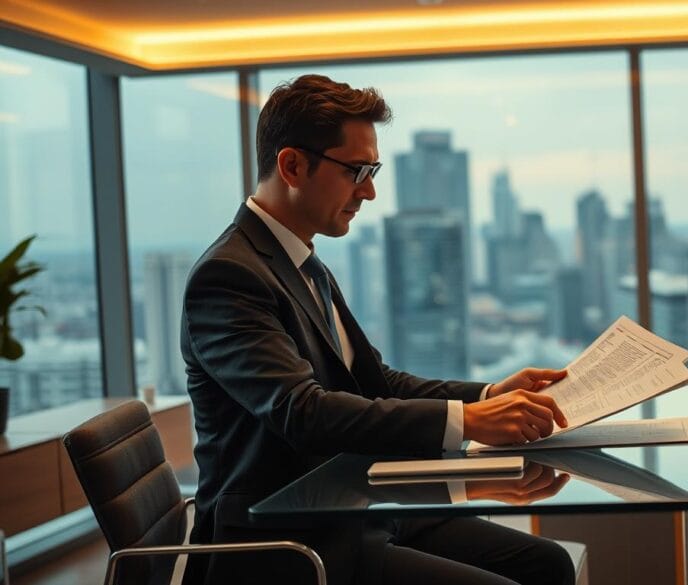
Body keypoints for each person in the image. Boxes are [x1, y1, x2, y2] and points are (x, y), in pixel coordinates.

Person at [180, 74, 575, 585]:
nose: (369, 191)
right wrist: (470, 422)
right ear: (292, 165)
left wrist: (489, 393)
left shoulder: (302, 264)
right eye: (357, 171)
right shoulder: (229, 276)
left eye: (374, 170)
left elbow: (375, 382)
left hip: (354, 507)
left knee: (547, 563)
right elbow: (303, 411)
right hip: (286, 542)